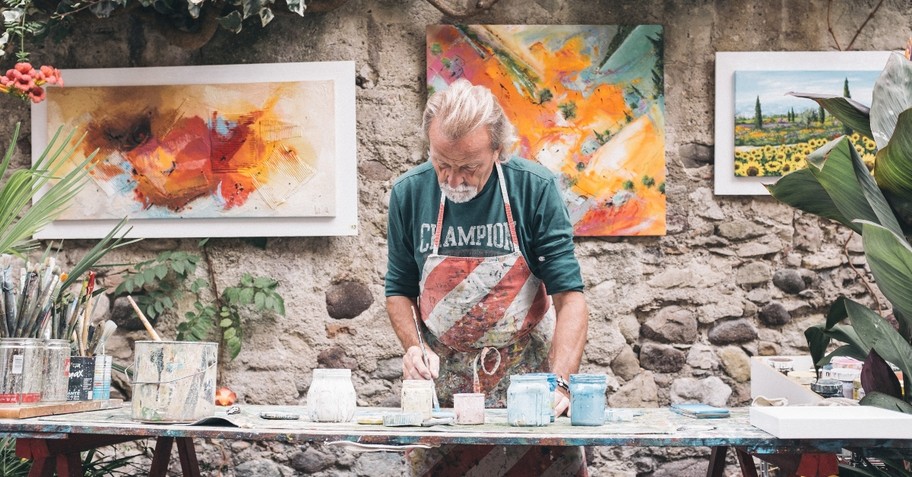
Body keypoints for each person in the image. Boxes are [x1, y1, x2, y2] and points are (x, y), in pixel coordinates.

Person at [385, 78, 590, 475]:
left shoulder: (534, 189)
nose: (453, 180)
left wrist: (559, 385)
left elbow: (571, 299)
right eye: (442, 164)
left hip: (530, 386)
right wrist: (414, 348)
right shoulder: (409, 193)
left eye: (469, 168)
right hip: (443, 390)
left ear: (499, 150)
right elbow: (399, 291)